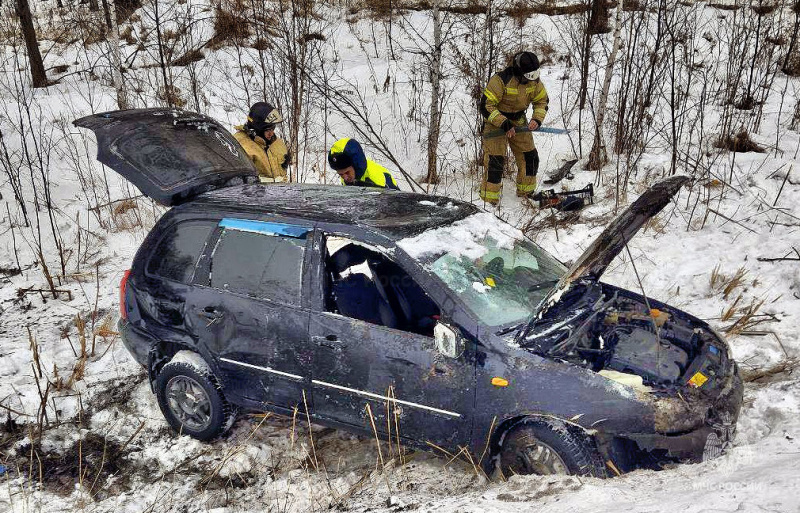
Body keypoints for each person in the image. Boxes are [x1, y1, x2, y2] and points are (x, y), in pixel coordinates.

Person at [479, 51, 549, 205]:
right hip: (495, 122)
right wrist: (504, 123)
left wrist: (537, 119)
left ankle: (526, 192)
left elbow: (542, 101)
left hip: (519, 120)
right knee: (495, 162)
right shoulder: (500, 80)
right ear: (519, 71)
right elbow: (486, 105)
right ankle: (488, 201)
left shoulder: (534, 81)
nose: (530, 80)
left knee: (530, 157)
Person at [234, 102, 291, 182]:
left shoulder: (278, 143)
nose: (271, 133)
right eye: (267, 130)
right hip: (256, 194)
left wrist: (283, 167)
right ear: (257, 129)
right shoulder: (241, 145)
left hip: (280, 192)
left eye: (273, 128)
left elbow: (282, 178)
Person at [328, 138, 400, 190]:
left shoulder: (377, 179)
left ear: (356, 165)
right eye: (340, 174)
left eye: (347, 172)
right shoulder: (348, 175)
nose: (345, 178)